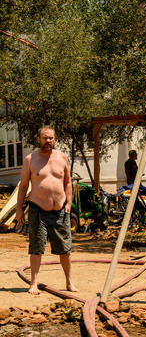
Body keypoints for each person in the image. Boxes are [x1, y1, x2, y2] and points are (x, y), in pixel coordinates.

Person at [16, 125, 78, 294]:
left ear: (55, 139)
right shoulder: (31, 159)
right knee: (36, 247)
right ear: (38, 139)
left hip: (60, 211)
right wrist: (19, 209)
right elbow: (23, 186)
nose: (48, 141)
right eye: (45, 138)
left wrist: (68, 204)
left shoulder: (62, 157)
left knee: (65, 249)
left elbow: (67, 182)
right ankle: (34, 284)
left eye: (51, 138)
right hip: (38, 209)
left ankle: (69, 282)